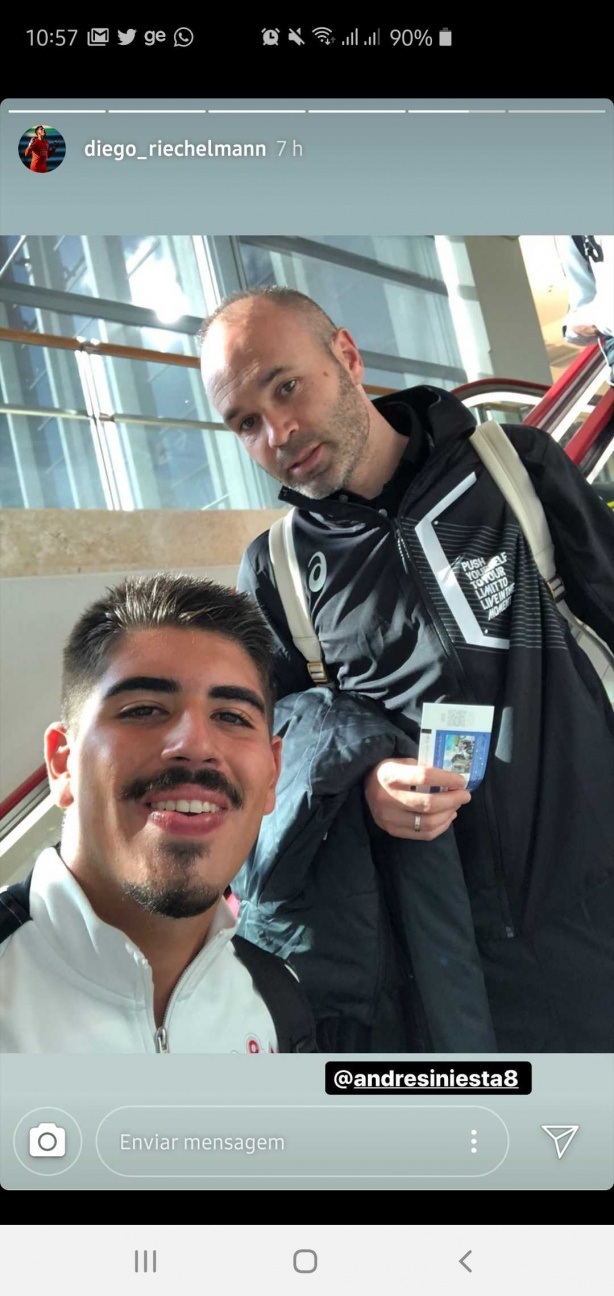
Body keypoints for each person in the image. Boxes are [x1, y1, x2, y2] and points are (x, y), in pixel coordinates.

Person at [199, 286, 614, 1052]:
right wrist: (358, 779)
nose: (278, 433)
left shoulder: (510, 470)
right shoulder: (278, 572)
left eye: (286, 386)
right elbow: (266, 751)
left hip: (594, 886)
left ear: (347, 357)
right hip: (448, 949)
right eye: (245, 423)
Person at [0, 573, 318, 1054]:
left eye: (232, 717)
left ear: (272, 773)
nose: (195, 744)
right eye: (144, 709)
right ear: (62, 763)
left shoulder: (278, 1002)